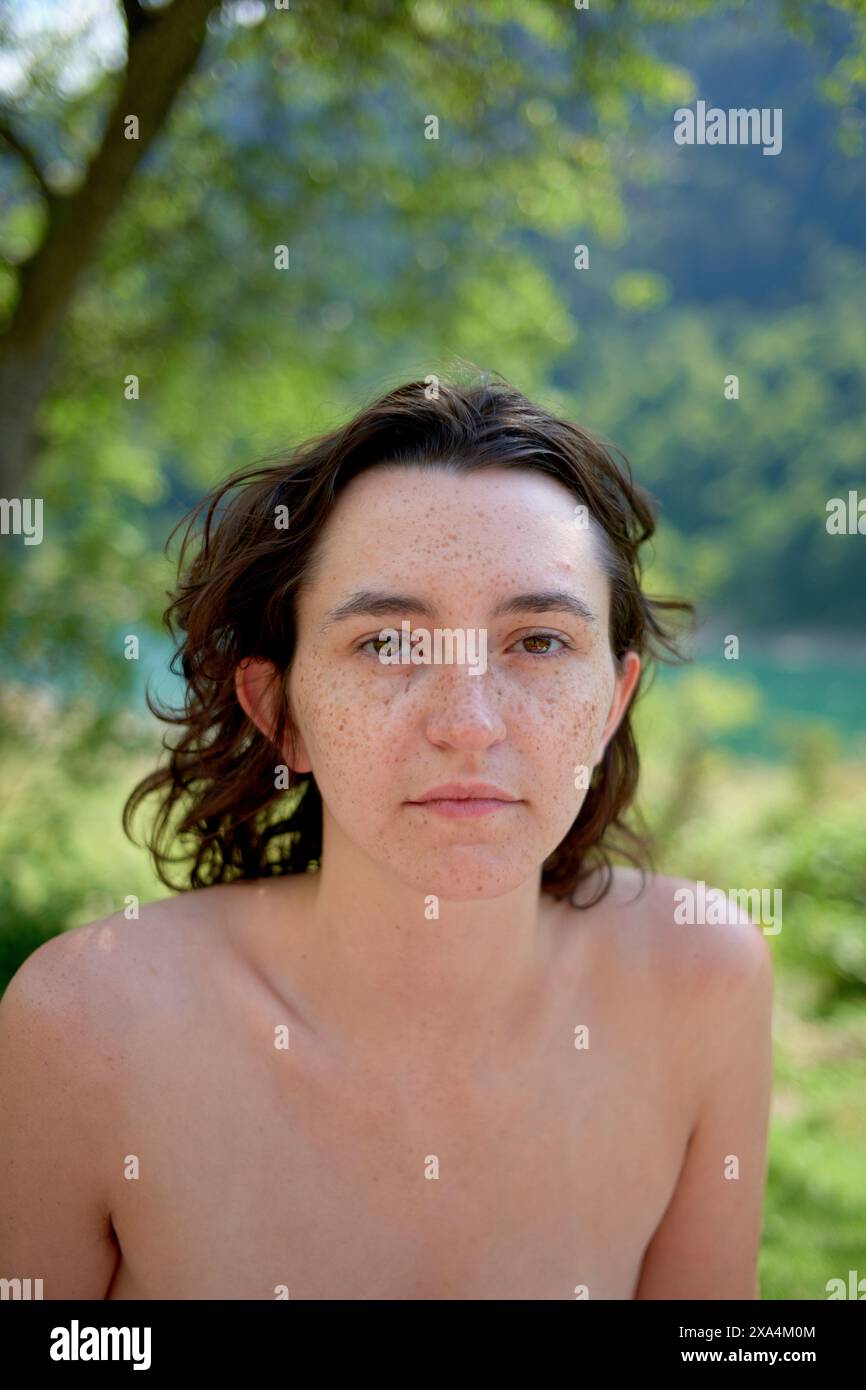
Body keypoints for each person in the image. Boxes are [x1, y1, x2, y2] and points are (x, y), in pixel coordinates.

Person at [0, 374, 773, 1300]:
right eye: (387, 644)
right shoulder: (90, 1026)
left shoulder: (703, 984)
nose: (469, 722)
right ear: (279, 710)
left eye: (536, 643)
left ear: (612, 702)